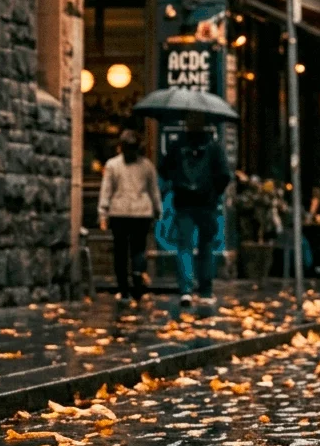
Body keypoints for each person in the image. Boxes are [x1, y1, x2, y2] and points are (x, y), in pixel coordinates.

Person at [159, 112, 231, 306]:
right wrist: (214, 193)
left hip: (183, 203)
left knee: (184, 246)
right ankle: (206, 291)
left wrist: (176, 184)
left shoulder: (176, 145)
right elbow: (225, 174)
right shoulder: (214, 147)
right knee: (206, 246)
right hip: (207, 205)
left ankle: (186, 290)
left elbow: (163, 169)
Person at [98, 130, 161, 307]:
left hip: (119, 212)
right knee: (139, 248)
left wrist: (103, 213)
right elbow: (153, 190)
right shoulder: (147, 165)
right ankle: (137, 277)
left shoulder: (112, 165)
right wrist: (157, 210)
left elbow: (106, 190)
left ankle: (123, 289)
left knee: (120, 250)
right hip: (142, 212)